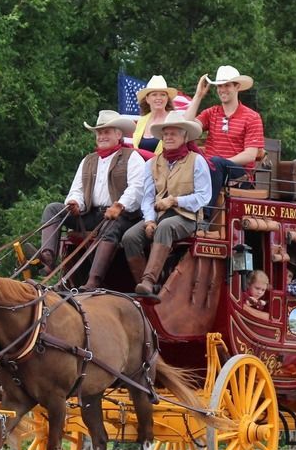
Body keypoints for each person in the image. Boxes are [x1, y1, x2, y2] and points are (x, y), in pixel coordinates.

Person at [37, 110, 148, 289]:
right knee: (53, 209)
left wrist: (120, 205)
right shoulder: (88, 160)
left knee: (111, 225)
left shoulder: (132, 157)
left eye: (106, 132)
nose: (102, 136)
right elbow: (77, 190)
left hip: (123, 216)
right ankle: (47, 259)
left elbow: (137, 188)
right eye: (99, 133)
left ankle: (93, 280)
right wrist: (75, 203)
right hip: (92, 213)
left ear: (118, 134)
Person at [121, 115, 211, 297]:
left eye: (174, 134)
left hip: (188, 217)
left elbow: (204, 196)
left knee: (165, 227)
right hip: (158, 216)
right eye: (166, 134)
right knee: (130, 237)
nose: (169, 137)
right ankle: (145, 287)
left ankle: (149, 280)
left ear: (185, 137)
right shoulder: (152, 163)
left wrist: (175, 201)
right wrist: (149, 221)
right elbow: (147, 197)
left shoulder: (197, 161)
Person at [184, 65, 264, 187]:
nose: (222, 89)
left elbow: (250, 155)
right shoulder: (211, 113)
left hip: (238, 175)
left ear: (237, 87)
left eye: (227, 85)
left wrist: (220, 163)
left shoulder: (252, 117)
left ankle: (206, 200)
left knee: (215, 163)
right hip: (210, 170)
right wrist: (198, 95)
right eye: (219, 86)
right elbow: (186, 128)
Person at [131, 75, 179, 152]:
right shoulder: (141, 121)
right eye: (154, 94)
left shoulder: (173, 120)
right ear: (147, 99)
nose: (158, 98)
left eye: (162, 94)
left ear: (167, 98)